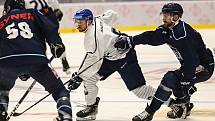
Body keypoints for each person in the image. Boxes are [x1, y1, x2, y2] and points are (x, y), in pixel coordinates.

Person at [114, 2, 214, 121]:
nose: (164, 17)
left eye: (167, 15)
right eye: (163, 14)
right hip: (192, 64)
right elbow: (151, 37)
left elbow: (191, 61)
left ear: (176, 17)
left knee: (171, 79)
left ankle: (150, 112)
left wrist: (188, 82)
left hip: (203, 67)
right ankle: (184, 106)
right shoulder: (170, 29)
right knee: (178, 81)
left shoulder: (182, 35)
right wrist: (131, 41)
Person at [67, 8, 162, 121]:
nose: (78, 25)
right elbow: (113, 15)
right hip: (110, 58)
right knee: (89, 80)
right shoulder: (97, 20)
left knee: (140, 91)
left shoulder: (91, 38)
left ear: (88, 21)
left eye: (80, 22)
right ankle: (91, 108)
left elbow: (92, 60)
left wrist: (79, 76)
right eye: (76, 21)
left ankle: (173, 103)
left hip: (125, 57)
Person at [0, 0, 73, 121]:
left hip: (7, 61)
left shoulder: (2, 20)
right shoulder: (33, 13)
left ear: (8, 7)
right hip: (35, 58)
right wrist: (56, 45)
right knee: (59, 90)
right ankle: (65, 116)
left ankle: (1, 111)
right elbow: (50, 27)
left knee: (2, 88)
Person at [25, 0, 70, 73]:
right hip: (49, 14)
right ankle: (63, 59)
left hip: (35, 17)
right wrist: (57, 9)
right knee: (56, 41)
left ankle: (42, 64)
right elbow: (53, 1)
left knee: (38, 43)